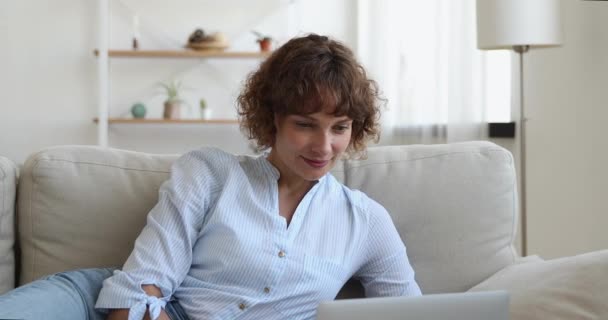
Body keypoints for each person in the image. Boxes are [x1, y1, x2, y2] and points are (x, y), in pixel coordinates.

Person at [0, 33, 421, 320]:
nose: (323, 146)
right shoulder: (210, 172)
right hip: (101, 303)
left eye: (340, 127)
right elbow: (141, 289)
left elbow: (413, 312)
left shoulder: (365, 221)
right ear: (272, 119)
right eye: (305, 124)